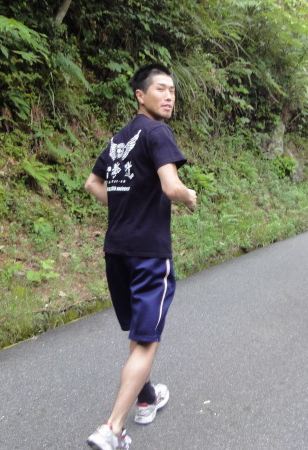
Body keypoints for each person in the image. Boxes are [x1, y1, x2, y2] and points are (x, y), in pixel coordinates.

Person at [84, 63, 197, 450]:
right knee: (147, 341)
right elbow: (171, 186)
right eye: (160, 89)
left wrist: (122, 204)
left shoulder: (120, 138)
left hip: (116, 252)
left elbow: (92, 183)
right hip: (149, 253)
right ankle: (113, 428)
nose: (169, 96)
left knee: (138, 334)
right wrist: (189, 196)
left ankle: (147, 397)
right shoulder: (157, 132)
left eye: (172, 91)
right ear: (140, 95)